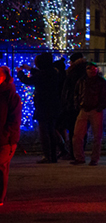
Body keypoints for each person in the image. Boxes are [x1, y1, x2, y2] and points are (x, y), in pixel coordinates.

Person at [17, 53, 64, 164]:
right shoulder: (53, 72)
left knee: (44, 132)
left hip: (43, 106)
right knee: (51, 131)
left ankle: (47, 156)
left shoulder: (42, 75)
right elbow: (40, 74)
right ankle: (53, 156)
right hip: (54, 105)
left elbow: (27, 80)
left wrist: (20, 72)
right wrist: (30, 69)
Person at [70, 63, 106, 166]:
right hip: (85, 109)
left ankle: (93, 158)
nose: (92, 71)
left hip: (94, 110)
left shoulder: (100, 82)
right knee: (77, 135)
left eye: (94, 69)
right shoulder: (82, 81)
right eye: (90, 69)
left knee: (97, 136)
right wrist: (78, 105)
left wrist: (99, 107)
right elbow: (76, 94)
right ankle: (80, 157)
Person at [59, 53, 87, 161]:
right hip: (84, 104)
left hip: (73, 104)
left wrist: (66, 101)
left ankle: (74, 153)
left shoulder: (73, 71)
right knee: (82, 131)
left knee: (73, 130)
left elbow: (69, 89)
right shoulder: (86, 69)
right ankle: (80, 152)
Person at [0, 66, 22, 207]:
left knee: (1, 168)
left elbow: (14, 120)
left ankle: (0, 197)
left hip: (5, 139)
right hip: (4, 137)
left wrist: (6, 135)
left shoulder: (11, 96)